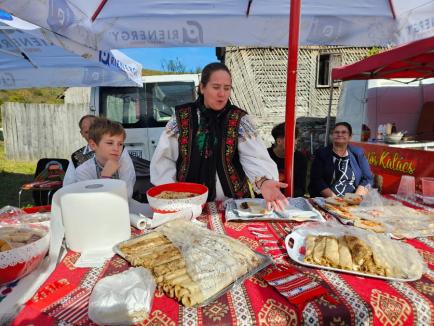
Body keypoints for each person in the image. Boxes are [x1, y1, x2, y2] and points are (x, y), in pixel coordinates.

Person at [150, 62, 288, 211]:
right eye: (216, 87)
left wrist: (264, 182)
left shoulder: (239, 120)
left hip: (233, 205)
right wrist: (169, 194)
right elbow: (165, 159)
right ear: (202, 88)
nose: (222, 94)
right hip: (188, 204)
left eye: (227, 88)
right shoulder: (181, 118)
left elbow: (254, 157)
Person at [63, 114, 134, 187]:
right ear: (82, 134)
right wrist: (106, 177)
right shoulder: (77, 157)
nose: (91, 134)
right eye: (87, 132)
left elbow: (127, 191)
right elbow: (68, 185)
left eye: (94, 129)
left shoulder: (120, 153)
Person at [74, 117, 136, 198]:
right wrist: (105, 177)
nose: (116, 148)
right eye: (110, 143)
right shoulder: (83, 171)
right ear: (93, 145)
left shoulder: (123, 163)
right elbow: (93, 202)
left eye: (120, 144)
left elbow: (126, 196)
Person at [308, 122, 373, 198]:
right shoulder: (321, 154)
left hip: (352, 200)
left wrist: (355, 198)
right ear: (332, 136)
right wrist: (336, 200)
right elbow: (317, 180)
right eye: (336, 132)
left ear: (350, 136)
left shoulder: (358, 153)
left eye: (344, 132)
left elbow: (367, 178)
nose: (340, 134)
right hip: (327, 199)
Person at [267, 123, 308, 197]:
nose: (295, 142)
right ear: (279, 141)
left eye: (296, 138)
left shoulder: (301, 159)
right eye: (292, 138)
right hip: (267, 199)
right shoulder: (265, 156)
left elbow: (301, 188)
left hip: (290, 200)